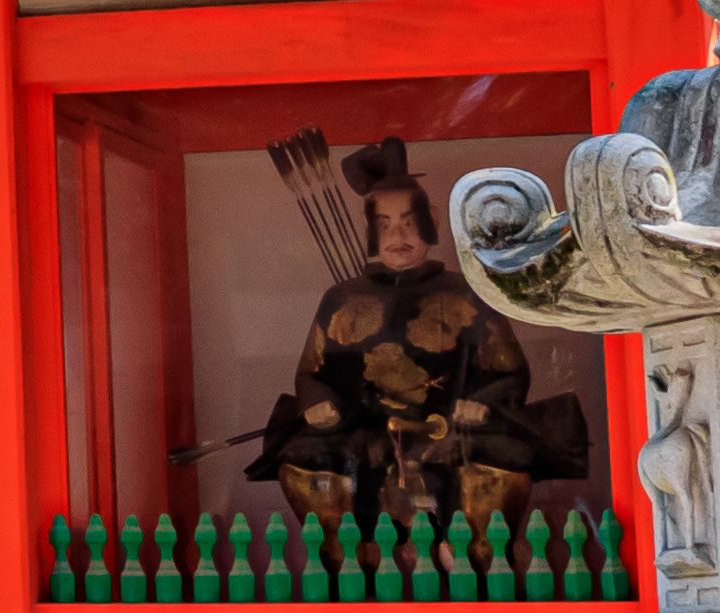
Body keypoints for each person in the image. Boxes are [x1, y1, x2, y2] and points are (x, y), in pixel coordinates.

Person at [246, 140, 594, 522]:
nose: (399, 236)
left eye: (410, 223)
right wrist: (318, 403)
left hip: (447, 430)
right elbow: (311, 373)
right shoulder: (342, 298)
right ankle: (347, 558)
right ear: (371, 231)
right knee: (304, 455)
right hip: (367, 432)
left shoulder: (466, 291)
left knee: (501, 455)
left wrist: (483, 403)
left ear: (432, 222)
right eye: (386, 225)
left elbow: (511, 372)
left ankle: (472, 556)